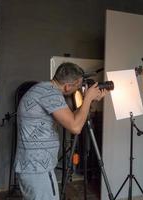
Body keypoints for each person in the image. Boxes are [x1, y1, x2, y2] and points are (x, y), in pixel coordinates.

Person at [14, 62, 107, 200]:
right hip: (38, 169)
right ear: (68, 86)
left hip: (31, 167)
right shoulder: (50, 93)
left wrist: (90, 101)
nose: (78, 90)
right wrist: (87, 98)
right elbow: (75, 127)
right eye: (77, 87)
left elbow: (70, 118)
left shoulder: (43, 89)